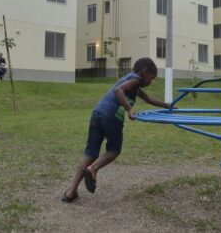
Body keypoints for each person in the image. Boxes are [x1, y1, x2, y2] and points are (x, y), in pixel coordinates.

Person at [62, 57, 170, 202]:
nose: (151, 82)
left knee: (90, 153)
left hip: (97, 113)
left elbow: (150, 100)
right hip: (111, 117)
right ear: (144, 72)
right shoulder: (136, 80)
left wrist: (169, 107)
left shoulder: (131, 82)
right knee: (114, 150)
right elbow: (118, 91)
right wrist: (129, 109)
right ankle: (93, 169)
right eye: (151, 78)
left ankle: (71, 191)